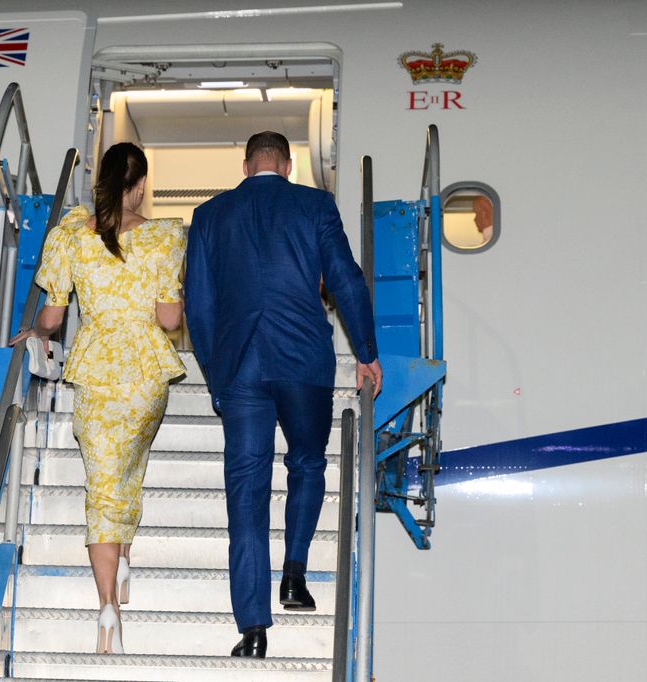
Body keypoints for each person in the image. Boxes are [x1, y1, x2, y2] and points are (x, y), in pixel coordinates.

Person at [184, 131, 382, 658]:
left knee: (246, 494)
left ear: (246, 165)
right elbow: (346, 280)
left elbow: (198, 307)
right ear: (289, 166)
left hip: (241, 369)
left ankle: (252, 628)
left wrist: (217, 374)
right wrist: (366, 351)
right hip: (302, 361)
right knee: (308, 463)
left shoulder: (209, 216)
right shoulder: (316, 205)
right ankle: (294, 572)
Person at [10, 142, 186, 655]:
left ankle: (107, 605)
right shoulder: (163, 236)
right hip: (146, 374)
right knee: (128, 470)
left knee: (102, 484)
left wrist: (35, 332)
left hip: (95, 371)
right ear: (140, 186)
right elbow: (170, 320)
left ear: (101, 181)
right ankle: (123, 559)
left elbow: (52, 318)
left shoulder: (71, 235)